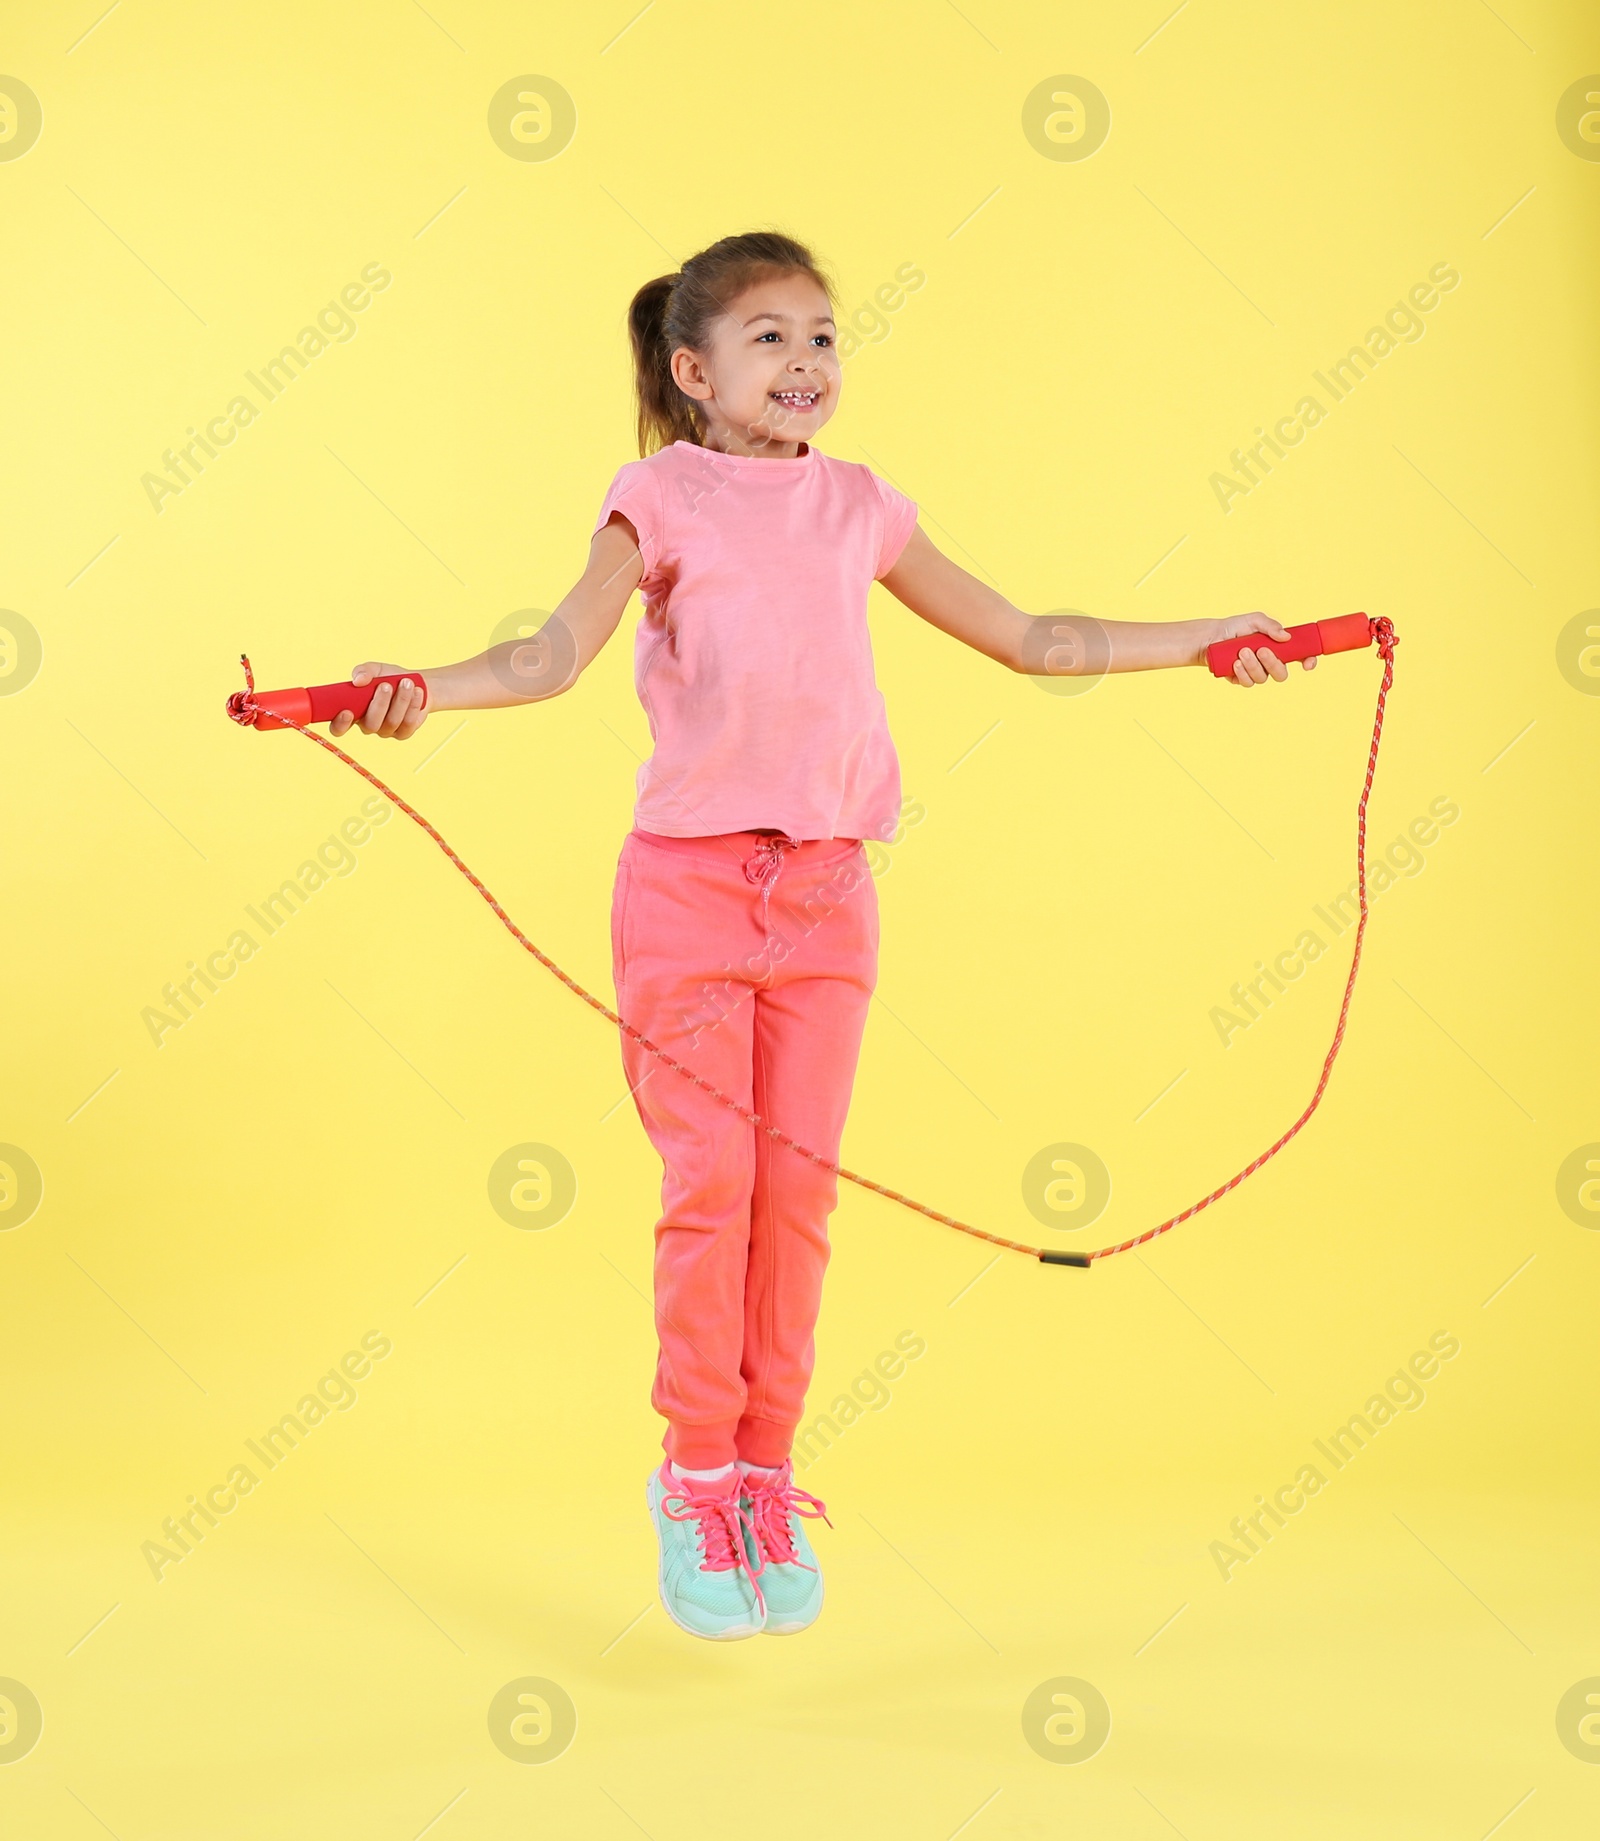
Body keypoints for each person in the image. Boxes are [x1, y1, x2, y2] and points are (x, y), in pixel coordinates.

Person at [330, 229, 1312, 1641]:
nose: (807, 360)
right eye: (771, 337)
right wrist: (416, 681)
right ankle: (693, 1472)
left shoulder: (860, 505)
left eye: (826, 335)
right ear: (694, 370)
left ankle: (767, 1475)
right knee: (712, 1184)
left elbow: (1035, 636)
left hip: (829, 900)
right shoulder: (656, 496)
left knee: (796, 1201)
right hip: (686, 893)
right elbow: (550, 655)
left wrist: (1207, 635)